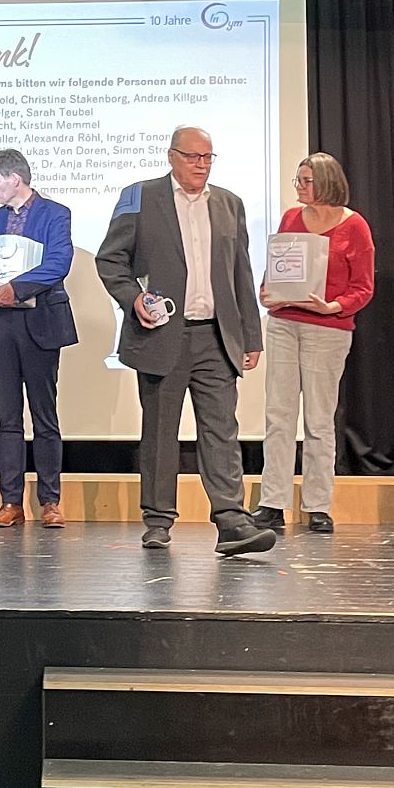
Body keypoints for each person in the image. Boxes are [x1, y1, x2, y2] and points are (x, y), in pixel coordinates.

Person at [95, 127, 274, 557]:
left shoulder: (229, 203)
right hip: (161, 335)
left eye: (208, 157)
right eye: (193, 156)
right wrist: (133, 298)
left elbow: (241, 272)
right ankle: (158, 521)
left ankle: (231, 520)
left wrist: (251, 334)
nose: (201, 164)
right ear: (172, 156)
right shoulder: (140, 196)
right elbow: (110, 258)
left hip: (215, 336)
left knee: (222, 430)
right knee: (160, 432)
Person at [253, 153, 375, 536]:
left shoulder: (354, 226)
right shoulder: (291, 218)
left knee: (319, 420)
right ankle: (272, 502)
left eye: (306, 180)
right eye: (298, 180)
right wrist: (267, 291)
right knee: (278, 416)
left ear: (326, 182)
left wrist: (334, 306)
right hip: (284, 324)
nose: (300, 187)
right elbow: (277, 267)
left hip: (328, 329)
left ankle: (318, 505)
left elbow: (363, 287)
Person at [0, 149, 76, 529]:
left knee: (44, 415)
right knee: (8, 417)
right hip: (2, 324)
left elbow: (59, 263)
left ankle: (50, 501)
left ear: (15, 179)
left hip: (40, 321)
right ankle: (11, 501)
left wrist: (18, 287)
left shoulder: (55, 213)